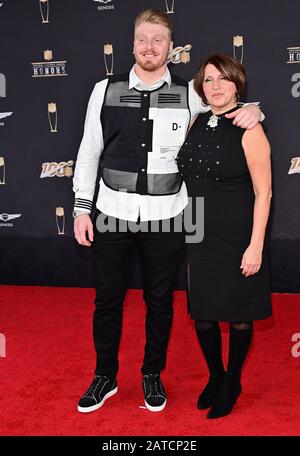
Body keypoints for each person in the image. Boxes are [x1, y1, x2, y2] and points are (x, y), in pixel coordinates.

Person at [72, 10, 262, 414]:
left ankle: (151, 374)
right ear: (132, 44)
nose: (150, 47)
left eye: (159, 40)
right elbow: (88, 153)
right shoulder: (104, 89)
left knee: (160, 301)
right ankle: (104, 375)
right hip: (110, 212)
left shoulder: (189, 93)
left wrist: (255, 110)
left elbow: (225, 102)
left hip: (167, 217)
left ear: (171, 49)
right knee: (107, 300)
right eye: (143, 39)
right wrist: (81, 209)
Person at [176, 53, 272, 419]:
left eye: (223, 79)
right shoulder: (196, 121)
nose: (216, 86)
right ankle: (215, 375)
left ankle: (233, 380)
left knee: (238, 315)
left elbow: (264, 193)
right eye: (209, 80)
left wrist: (256, 246)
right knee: (203, 314)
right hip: (199, 231)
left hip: (237, 235)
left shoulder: (251, 129)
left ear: (237, 84)